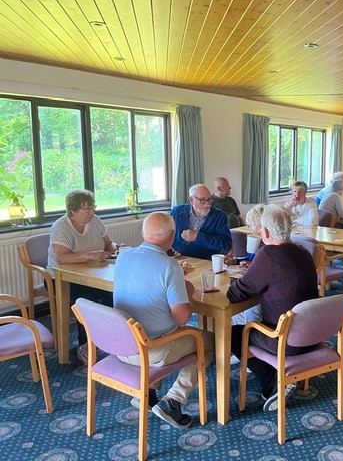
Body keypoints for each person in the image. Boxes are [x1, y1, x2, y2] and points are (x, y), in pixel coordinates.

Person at [114, 212, 214, 429]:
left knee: (159, 327)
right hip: (151, 350)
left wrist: (180, 286)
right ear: (172, 236)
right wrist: (188, 293)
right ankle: (174, 401)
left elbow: (147, 288)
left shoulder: (123, 256)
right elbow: (182, 317)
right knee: (210, 342)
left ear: (143, 233)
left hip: (121, 344)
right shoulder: (170, 266)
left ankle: (147, 393)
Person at [227, 205, 319, 411]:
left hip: (286, 340)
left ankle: (272, 384)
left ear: (265, 231)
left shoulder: (268, 254)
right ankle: (278, 374)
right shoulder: (303, 252)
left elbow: (236, 294)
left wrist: (236, 282)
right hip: (312, 334)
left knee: (232, 334)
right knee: (254, 324)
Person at [46, 189, 121, 365]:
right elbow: (62, 257)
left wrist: (117, 247)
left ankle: (109, 339)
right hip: (60, 277)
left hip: (90, 273)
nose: (91, 212)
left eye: (92, 207)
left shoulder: (95, 221)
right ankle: (85, 345)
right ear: (72, 211)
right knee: (86, 300)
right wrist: (91, 255)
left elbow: (109, 244)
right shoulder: (62, 226)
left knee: (115, 293)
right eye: (86, 209)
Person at [170, 184, 232, 259]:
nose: (207, 203)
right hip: (180, 259)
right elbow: (167, 234)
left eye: (209, 199)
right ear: (191, 200)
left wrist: (198, 237)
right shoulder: (177, 212)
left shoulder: (219, 216)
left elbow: (225, 245)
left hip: (205, 261)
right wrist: (170, 250)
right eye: (202, 200)